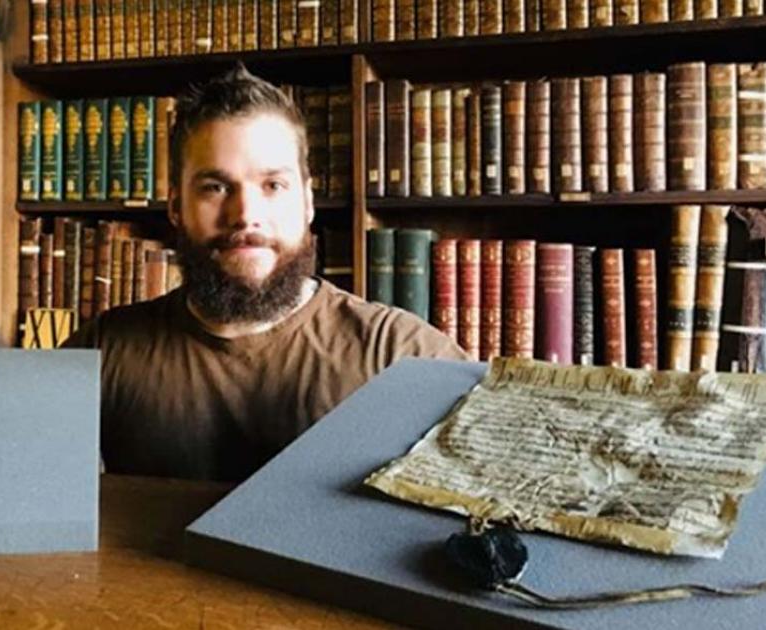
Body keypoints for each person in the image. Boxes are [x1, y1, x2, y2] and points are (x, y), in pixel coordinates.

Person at [61, 64, 467, 482]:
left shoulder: (402, 355)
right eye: (215, 187)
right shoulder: (101, 351)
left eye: (273, 185)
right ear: (176, 207)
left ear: (307, 202)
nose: (245, 214)